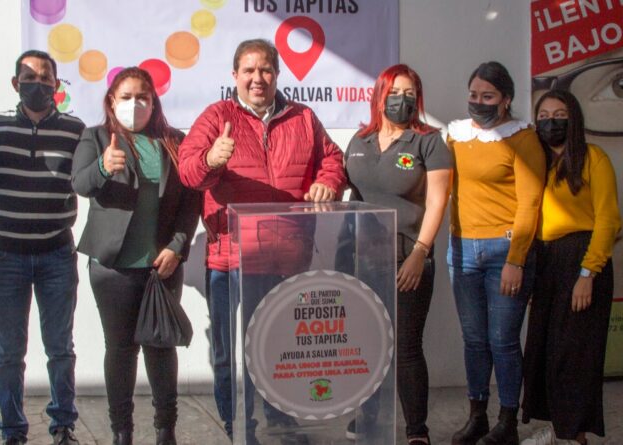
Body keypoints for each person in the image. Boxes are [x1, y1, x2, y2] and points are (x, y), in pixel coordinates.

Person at [178, 38, 346, 443]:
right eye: (249, 70)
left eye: (266, 70)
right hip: (231, 261)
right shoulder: (216, 116)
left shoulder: (303, 117)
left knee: (280, 349)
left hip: (287, 259)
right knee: (229, 353)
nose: (258, 78)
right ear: (234, 75)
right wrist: (211, 159)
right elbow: (187, 172)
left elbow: (332, 158)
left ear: (277, 74)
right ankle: (239, 426)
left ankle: (282, 421)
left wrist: (327, 181)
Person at [71, 67, 200, 445]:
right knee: (121, 350)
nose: (135, 104)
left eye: (143, 97)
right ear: (111, 101)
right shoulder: (95, 137)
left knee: (161, 347)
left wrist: (178, 246)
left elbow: (190, 202)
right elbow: (80, 183)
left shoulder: (174, 141)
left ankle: (166, 430)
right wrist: (102, 167)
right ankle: (121, 431)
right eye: (126, 97)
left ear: (154, 102)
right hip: (113, 268)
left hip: (162, 267)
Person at [343, 64, 452, 444]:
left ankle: (417, 431)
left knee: (405, 347)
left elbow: (438, 201)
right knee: (368, 341)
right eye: (394, 93)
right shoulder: (360, 140)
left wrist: (421, 252)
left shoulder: (429, 142)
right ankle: (368, 414)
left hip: (407, 257)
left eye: (410, 94)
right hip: (363, 257)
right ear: (379, 96)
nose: (401, 100)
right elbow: (349, 192)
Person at [0, 50, 85, 445]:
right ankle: (12, 430)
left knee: (60, 347)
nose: (38, 84)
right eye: (29, 77)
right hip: (5, 254)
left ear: (56, 85)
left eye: (46, 78)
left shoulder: (75, 130)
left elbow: (86, 179)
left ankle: (63, 425)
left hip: (56, 253)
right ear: (16, 83)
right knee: (9, 351)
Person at [446, 61, 546, 445]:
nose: (478, 102)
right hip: (462, 249)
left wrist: (516, 259)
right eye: (473, 95)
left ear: (506, 99)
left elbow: (530, 202)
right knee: (474, 339)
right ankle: (477, 417)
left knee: (503, 340)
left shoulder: (522, 138)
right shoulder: (456, 135)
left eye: (487, 96)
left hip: (505, 251)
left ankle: (507, 422)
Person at [520, 90, 620, 445]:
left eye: (560, 115)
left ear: (573, 119)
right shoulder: (535, 164)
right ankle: (558, 429)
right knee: (545, 351)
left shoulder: (594, 158)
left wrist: (587, 273)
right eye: (544, 116)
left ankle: (575, 435)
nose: (551, 122)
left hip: (582, 259)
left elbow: (608, 220)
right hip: (546, 262)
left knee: (575, 354)